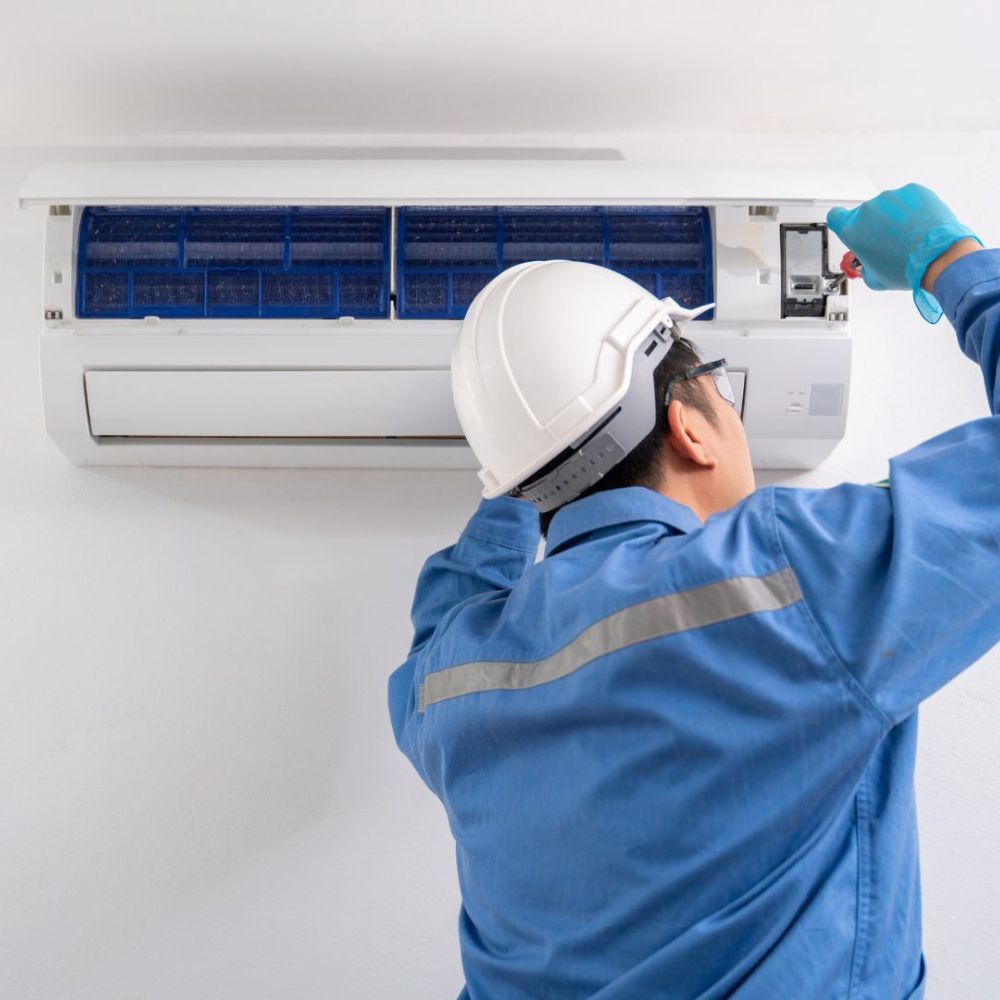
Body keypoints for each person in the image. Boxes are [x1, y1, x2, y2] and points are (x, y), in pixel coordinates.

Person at [388, 184, 999, 999]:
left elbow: (449, 605)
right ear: (689, 427)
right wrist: (950, 260)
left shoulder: (449, 684)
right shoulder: (792, 578)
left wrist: (522, 453)